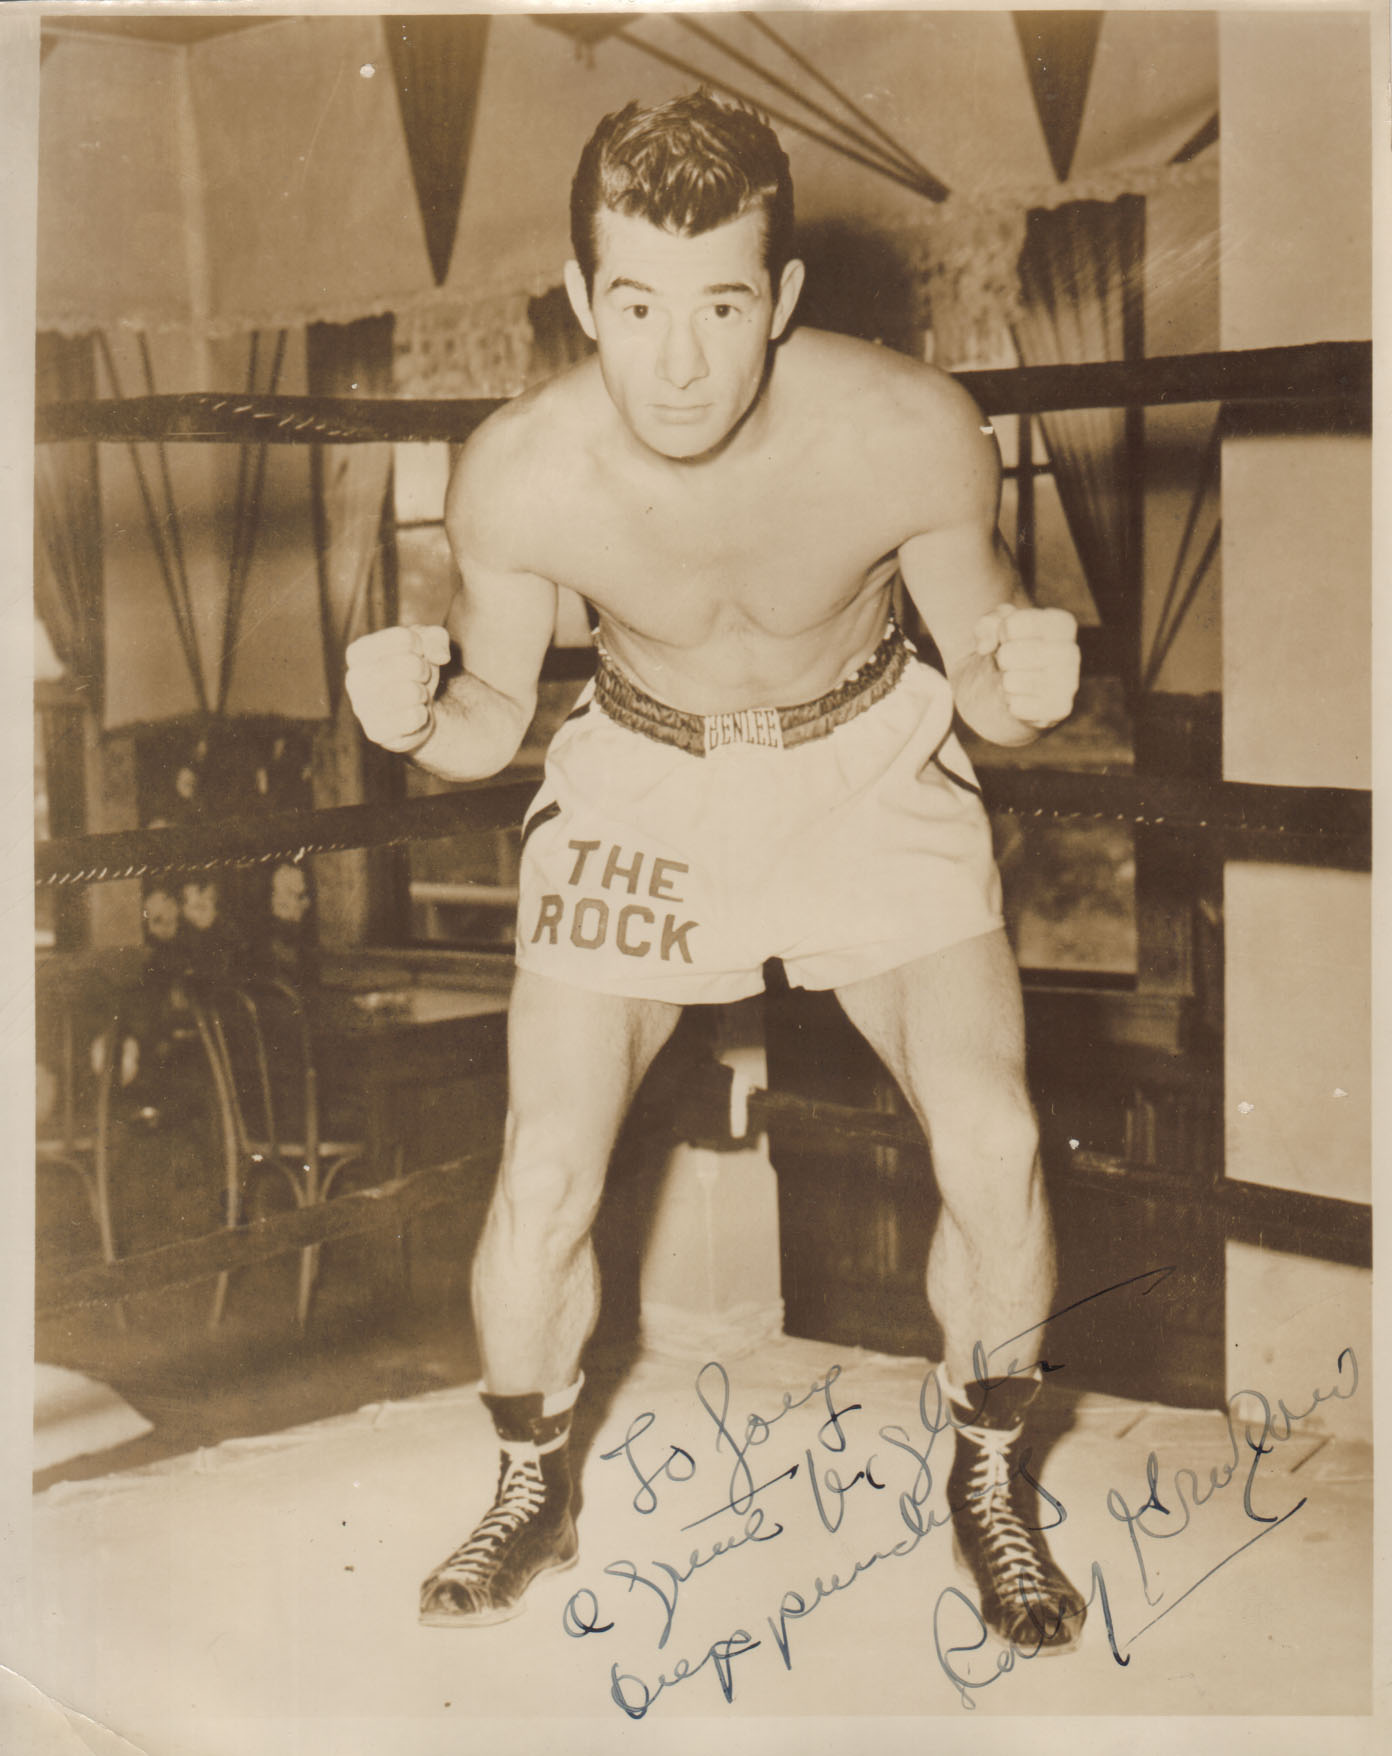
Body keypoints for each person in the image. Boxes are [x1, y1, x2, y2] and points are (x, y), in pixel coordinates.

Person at [346, 91, 1086, 1651]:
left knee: (997, 1135)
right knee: (546, 1166)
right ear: (580, 298)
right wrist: (416, 708)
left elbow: (997, 695)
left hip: (869, 764)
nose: (678, 362)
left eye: (723, 306)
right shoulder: (521, 474)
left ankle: (992, 1472)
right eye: (635, 306)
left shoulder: (909, 431)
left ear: (786, 298)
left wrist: (1031, 674)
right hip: (642, 781)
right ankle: (528, 1478)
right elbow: (488, 726)